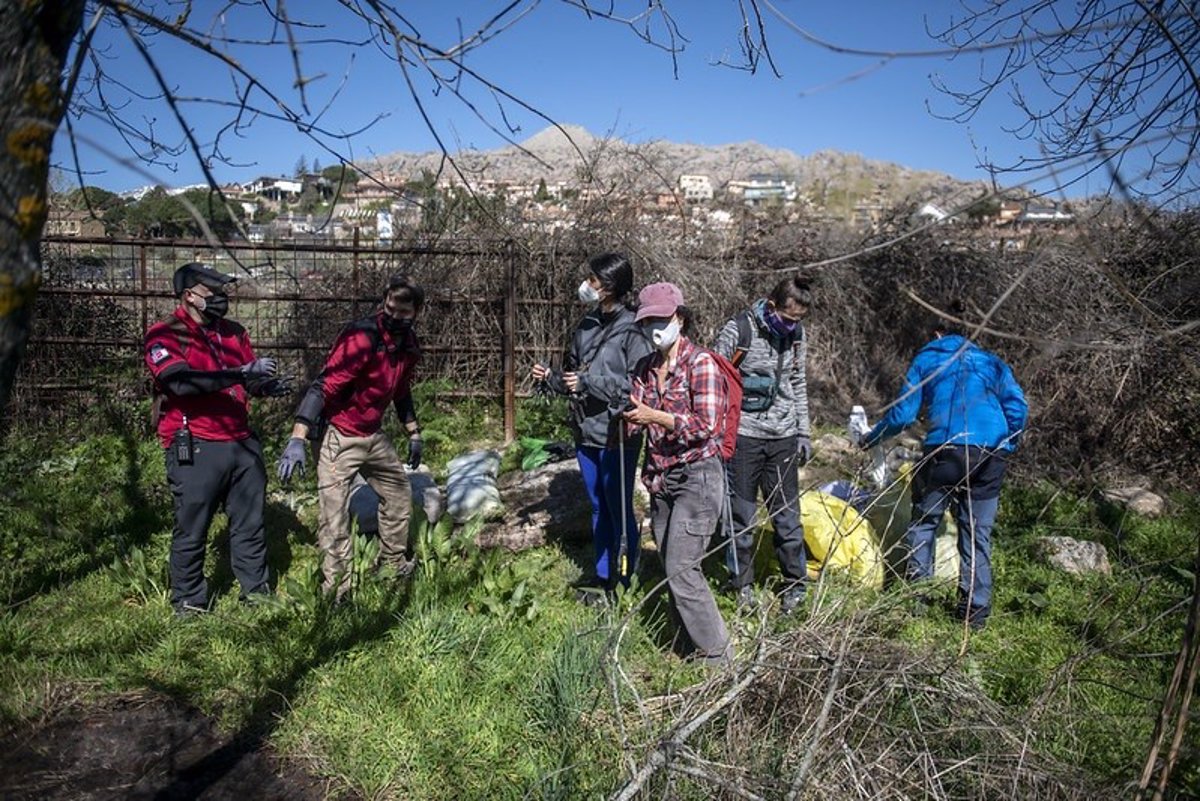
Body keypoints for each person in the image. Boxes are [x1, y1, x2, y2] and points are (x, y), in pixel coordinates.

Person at [861, 313, 1028, 629]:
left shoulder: (930, 357)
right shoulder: (990, 362)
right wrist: (1008, 441)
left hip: (947, 449)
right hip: (991, 454)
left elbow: (903, 414)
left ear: (938, 333)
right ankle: (974, 615)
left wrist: (873, 437)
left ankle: (917, 605)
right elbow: (1018, 408)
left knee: (925, 522)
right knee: (977, 533)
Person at [145, 262, 291, 616]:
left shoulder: (234, 333)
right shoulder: (165, 335)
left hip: (241, 441)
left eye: (224, 293)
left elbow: (246, 379)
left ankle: (256, 594)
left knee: (250, 524)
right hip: (195, 442)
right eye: (214, 293)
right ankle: (189, 601)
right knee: (192, 527)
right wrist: (239, 373)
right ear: (189, 296)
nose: (222, 299)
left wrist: (263, 384)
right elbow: (181, 383)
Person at [277, 274, 425, 601]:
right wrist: (298, 438)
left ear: (416, 312)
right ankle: (338, 592)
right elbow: (323, 386)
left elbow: (400, 390)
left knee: (399, 495)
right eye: (390, 308)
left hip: (372, 434)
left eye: (404, 312)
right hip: (338, 435)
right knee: (334, 517)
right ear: (383, 304)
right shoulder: (362, 339)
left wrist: (413, 433)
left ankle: (392, 564)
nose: (395, 317)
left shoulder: (408, 345)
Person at [531, 253, 653, 598]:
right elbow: (573, 377)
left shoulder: (634, 330)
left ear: (611, 286)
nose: (587, 285)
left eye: (594, 280)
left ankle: (627, 576)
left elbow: (635, 387)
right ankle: (603, 577)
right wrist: (550, 379)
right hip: (586, 430)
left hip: (618, 432)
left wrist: (589, 383)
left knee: (618, 505)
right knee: (598, 505)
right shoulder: (585, 325)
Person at [625, 282, 731, 665]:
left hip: (697, 477)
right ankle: (687, 649)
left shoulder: (701, 363)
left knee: (682, 568)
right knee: (674, 568)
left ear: (680, 319)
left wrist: (655, 416)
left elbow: (707, 425)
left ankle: (719, 659)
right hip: (660, 479)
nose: (654, 327)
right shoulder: (644, 367)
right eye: (648, 320)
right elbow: (635, 423)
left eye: (661, 319)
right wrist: (627, 418)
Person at [713, 275, 813, 613]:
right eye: (787, 319)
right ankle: (741, 586)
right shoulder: (738, 330)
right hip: (743, 438)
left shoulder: (797, 335)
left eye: (798, 321)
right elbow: (713, 376)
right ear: (771, 307)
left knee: (787, 518)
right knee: (740, 517)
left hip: (783, 438)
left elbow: (798, 383)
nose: (791, 326)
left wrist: (803, 432)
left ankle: (796, 587)